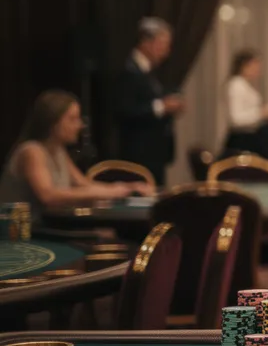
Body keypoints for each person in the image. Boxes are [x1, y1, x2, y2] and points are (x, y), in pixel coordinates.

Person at [0, 91, 152, 221]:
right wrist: (108, 193)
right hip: (28, 233)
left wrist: (128, 187)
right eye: (72, 119)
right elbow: (48, 196)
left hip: (50, 224)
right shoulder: (32, 151)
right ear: (53, 122)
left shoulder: (58, 150)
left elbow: (84, 184)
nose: (79, 125)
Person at [117, 17, 183, 185]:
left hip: (154, 152)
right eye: (163, 44)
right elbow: (124, 111)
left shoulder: (148, 71)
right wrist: (162, 106)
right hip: (139, 153)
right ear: (146, 42)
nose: (167, 51)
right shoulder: (128, 70)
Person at [222, 49, 268, 155]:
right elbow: (235, 118)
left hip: (252, 137)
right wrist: (261, 113)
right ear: (244, 66)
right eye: (254, 65)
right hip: (241, 139)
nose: (258, 69)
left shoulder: (246, 85)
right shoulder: (236, 85)